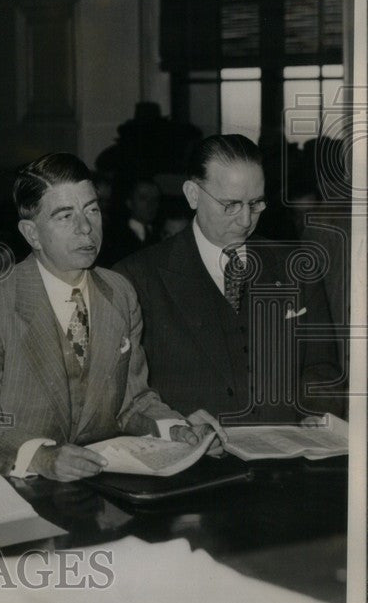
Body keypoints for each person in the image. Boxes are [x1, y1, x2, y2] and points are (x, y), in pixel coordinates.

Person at [0, 153, 219, 481]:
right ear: (32, 234)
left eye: (92, 209)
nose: (86, 228)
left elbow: (134, 400)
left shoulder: (120, 293)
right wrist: (39, 457)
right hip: (19, 488)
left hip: (104, 488)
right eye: (65, 216)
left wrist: (174, 429)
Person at [115, 134, 342, 423]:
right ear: (192, 194)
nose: (246, 220)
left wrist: (317, 415)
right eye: (230, 205)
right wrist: (174, 427)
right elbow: (127, 397)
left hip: (288, 461)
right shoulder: (136, 278)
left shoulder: (297, 267)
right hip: (193, 461)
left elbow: (322, 367)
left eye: (256, 203)